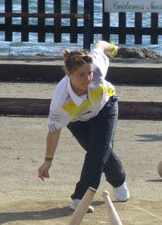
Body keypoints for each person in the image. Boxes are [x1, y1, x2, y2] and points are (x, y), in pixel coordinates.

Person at [37, 41, 129, 212]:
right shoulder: (60, 102)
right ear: (68, 74)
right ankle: (119, 180)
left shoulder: (97, 68)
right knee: (99, 152)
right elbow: (54, 130)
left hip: (105, 107)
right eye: (81, 75)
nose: (88, 79)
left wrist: (114, 49)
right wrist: (48, 160)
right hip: (77, 119)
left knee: (99, 149)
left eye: (89, 73)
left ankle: (81, 198)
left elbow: (100, 45)